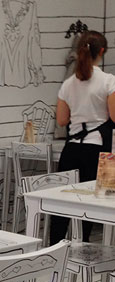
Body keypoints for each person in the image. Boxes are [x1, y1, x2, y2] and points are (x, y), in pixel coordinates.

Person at [50, 31, 115, 244]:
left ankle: (55, 246)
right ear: (102, 51)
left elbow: (62, 120)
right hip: (98, 149)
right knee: (95, 204)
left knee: (62, 199)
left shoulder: (68, 84)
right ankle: (84, 245)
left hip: (71, 149)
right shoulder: (108, 81)